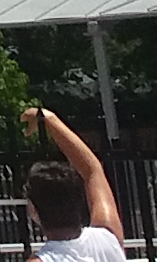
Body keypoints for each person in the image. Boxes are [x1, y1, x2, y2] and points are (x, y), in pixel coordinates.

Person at [22, 103, 127, 262]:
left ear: (33, 211)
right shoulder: (108, 237)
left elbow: (92, 171)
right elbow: (92, 170)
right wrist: (49, 119)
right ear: (79, 199)